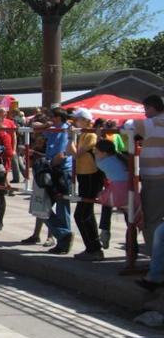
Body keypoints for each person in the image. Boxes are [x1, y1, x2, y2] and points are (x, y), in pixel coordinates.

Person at [68, 108, 105, 261]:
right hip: (84, 176)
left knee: (82, 214)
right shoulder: (82, 134)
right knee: (85, 214)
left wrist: (70, 138)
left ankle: (94, 248)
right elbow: (71, 152)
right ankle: (92, 248)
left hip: (91, 176)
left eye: (77, 119)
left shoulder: (90, 135)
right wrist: (71, 138)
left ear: (85, 120)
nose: (75, 122)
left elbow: (76, 154)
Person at [134, 94, 164, 257]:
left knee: (151, 220)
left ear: (152, 107)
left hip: (155, 178)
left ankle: (156, 261)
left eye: (145, 109)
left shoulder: (153, 123)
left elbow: (129, 126)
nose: (145, 113)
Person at [45, 108, 75, 254]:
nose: (50, 119)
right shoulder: (53, 129)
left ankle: (63, 239)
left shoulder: (65, 131)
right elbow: (36, 129)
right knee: (43, 207)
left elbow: (61, 155)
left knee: (61, 207)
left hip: (61, 171)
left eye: (52, 116)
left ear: (58, 117)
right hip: (54, 170)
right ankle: (64, 236)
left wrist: (48, 163)